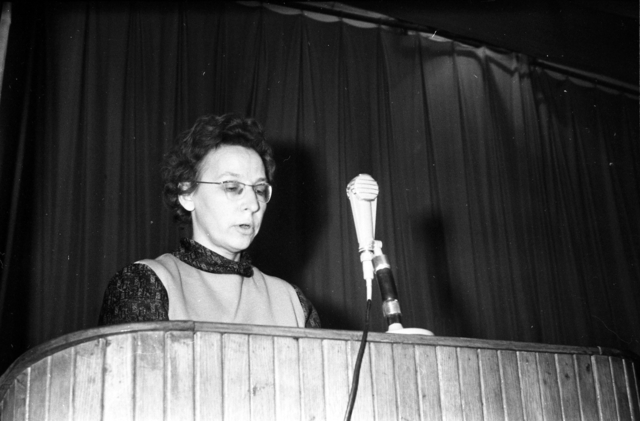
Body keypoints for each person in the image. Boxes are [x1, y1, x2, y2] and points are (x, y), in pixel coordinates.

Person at [98, 114, 320, 328]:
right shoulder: (144, 284)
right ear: (187, 193)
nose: (253, 204)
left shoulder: (294, 303)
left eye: (259, 190)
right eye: (232, 187)